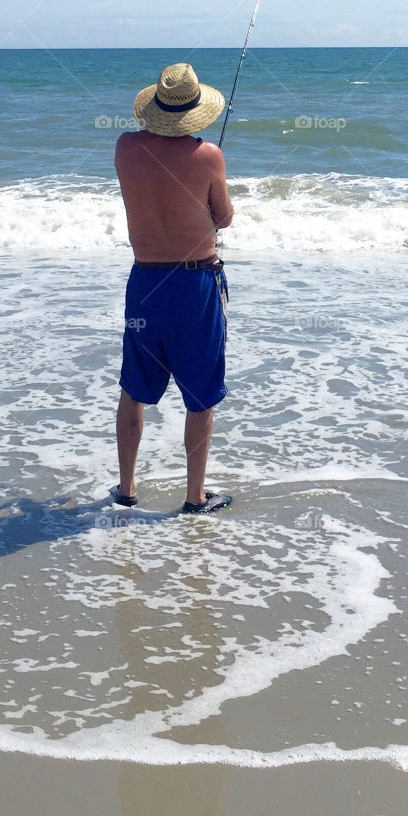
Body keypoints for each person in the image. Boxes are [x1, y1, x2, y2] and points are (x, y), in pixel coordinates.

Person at [112, 62, 235, 514]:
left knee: (134, 388)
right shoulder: (208, 156)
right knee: (200, 395)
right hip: (193, 286)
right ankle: (193, 496)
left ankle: (126, 488)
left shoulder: (125, 147)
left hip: (145, 283)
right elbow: (222, 217)